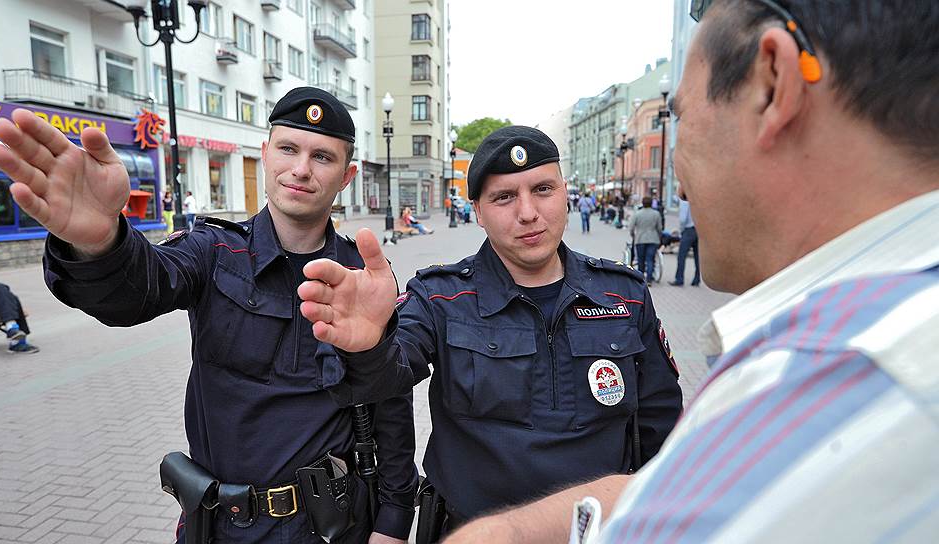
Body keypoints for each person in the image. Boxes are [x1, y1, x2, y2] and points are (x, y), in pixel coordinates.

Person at [442, 0, 939, 542]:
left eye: (681, 116)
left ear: (773, 84)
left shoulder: (820, 381)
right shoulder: (864, 342)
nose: (677, 181)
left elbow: (660, 425)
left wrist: (513, 532)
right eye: (504, 197)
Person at [0, 87, 417, 544]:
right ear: (265, 153)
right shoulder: (214, 250)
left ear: (346, 176)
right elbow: (137, 290)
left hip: (333, 525)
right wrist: (99, 243)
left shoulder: (361, 274)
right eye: (288, 148)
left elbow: (391, 403)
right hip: (220, 525)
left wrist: (392, 522)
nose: (301, 169)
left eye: (323, 157)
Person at [296, 126, 683, 539]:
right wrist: (370, 345)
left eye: (543, 189)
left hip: (600, 532)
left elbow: (661, 431)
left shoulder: (624, 294)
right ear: (477, 211)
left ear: (566, 193)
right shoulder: (440, 298)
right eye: (504, 197)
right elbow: (385, 376)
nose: (528, 212)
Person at [626, 196, 663, 285]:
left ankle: (641, 278)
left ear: (642, 203)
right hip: (653, 239)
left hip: (640, 239)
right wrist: (659, 237)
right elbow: (659, 228)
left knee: (641, 259)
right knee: (650, 259)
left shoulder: (637, 214)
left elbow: (631, 227)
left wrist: (633, 235)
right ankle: (649, 279)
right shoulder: (656, 214)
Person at [669, 198, 700, 287]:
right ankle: (697, 279)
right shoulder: (696, 199)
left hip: (688, 230)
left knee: (681, 256)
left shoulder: (685, 201)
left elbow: (683, 219)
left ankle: (679, 279)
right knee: (697, 257)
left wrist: (681, 230)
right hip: (698, 229)